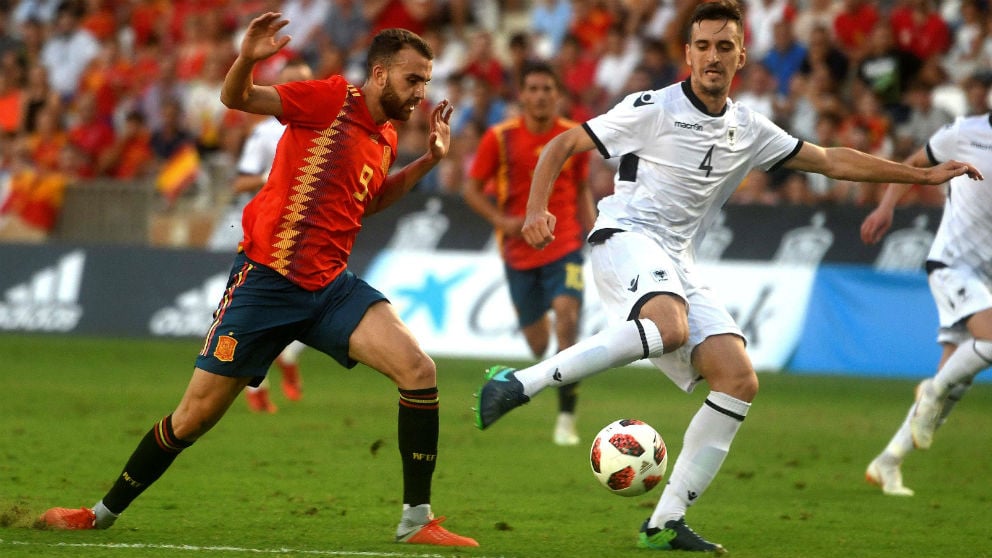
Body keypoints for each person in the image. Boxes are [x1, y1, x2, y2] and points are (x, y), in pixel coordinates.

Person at [473, 2, 982, 553]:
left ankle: (663, 523)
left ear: (741, 56)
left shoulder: (750, 128)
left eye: (724, 47)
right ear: (687, 53)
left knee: (739, 378)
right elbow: (563, 144)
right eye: (703, 46)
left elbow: (832, 160)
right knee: (667, 326)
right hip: (625, 237)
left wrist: (919, 174)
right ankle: (518, 383)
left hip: (678, 259)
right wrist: (535, 208)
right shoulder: (653, 107)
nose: (713, 57)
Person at [39, 12, 478, 548]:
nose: (421, 93)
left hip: (330, 286)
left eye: (427, 82)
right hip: (265, 282)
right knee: (193, 418)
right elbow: (238, 99)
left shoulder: (385, 133)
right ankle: (100, 513)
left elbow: (372, 200)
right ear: (381, 74)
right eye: (414, 79)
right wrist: (247, 58)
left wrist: (429, 161)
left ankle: (416, 519)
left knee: (418, 369)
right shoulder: (328, 100)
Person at [861, 107, 992, 497]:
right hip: (952, 262)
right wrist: (886, 207)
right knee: (988, 342)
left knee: (958, 377)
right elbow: (915, 164)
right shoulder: (964, 132)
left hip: (986, 275)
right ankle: (931, 390)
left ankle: (888, 461)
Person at [463, 61, 595, 447]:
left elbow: (582, 184)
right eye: (532, 88)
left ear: (558, 95)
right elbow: (471, 189)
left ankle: (567, 418)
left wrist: (594, 229)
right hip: (519, 253)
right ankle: (544, 379)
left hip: (565, 244)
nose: (539, 95)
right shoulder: (499, 138)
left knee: (568, 322)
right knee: (538, 345)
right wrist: (500, 220)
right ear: (522, 95)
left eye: (546, 89)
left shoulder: (574, 136)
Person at [206, 57, 314, 414]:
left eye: (305, 82)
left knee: (312, 308)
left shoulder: (326, 130)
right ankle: (259, 390)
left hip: (307, 233)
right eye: (291, 82)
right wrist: (276, 175)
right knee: (253, 312)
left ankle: (288, 358)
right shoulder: (266, 132)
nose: (299, 89)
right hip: (267, 233)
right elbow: (241, 181)